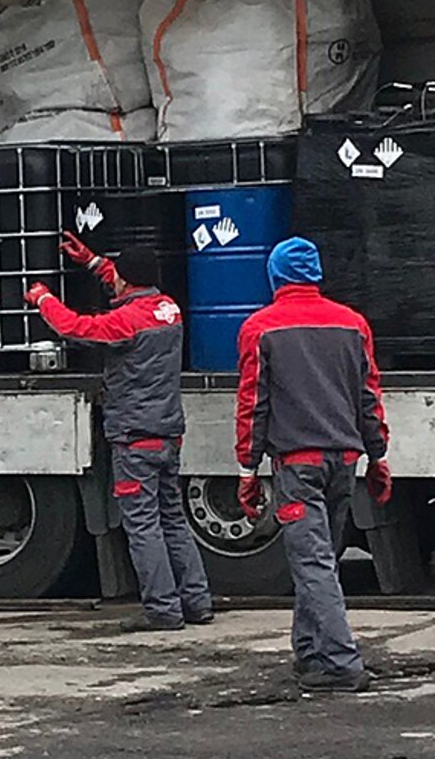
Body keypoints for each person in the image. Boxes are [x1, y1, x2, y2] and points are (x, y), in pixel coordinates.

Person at [28, 232, 212, 632]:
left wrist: (42, 297)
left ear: (127, 281)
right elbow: (127, 283)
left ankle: (163, 609)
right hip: (166, 433)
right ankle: (197, 602)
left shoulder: (126, 322)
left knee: (143, 525)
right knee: (173, 519)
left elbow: (75, 327)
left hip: (134, 437)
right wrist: (93, 262)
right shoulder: (168, 309)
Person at [235, 236, 393, 693]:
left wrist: (247, 469)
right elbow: (369, 397)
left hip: (296, 466)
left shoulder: (259, 329)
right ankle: (309, 652)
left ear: (275, 277)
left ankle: (342, 665)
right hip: (343, 461)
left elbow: (253, 403)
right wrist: (378, 457)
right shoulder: (353, 324)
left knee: (313, 563)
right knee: (321, 558)